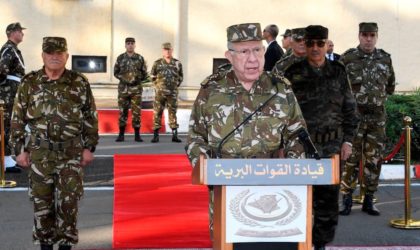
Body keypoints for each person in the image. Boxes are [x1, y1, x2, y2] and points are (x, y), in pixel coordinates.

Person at [186, 22, 307, 250]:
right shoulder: (212, 90)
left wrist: (294, 168)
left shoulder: (281, 89)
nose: (253, 59)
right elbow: (195, 137)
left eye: (257, 50)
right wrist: (204, 166)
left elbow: (297, 134)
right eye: (244, 51)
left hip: (275, 191)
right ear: (229, 56)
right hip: (227, 191)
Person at [9, 37, 98, 250]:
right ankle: (45, 245)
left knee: (69, 205)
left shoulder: (79, 81)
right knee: (42, 206)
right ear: (42, 56)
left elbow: (90, 116)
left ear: (67, 55)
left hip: (71, 152)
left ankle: (66, 245)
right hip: (40, 154)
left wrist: (89, 147)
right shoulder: (30, 83)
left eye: (59, 53)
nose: (55, 57)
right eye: (50, 53)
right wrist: (19, 150)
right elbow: (17, 118)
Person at [284, 25, 359, 250]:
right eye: (310, 43)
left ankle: (320, 244)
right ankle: (300, 240)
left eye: (320, 43)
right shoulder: (293, 73)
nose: (315, 48)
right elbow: (283, 113)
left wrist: (347, 141)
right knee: (299, 198)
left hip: (331, 147)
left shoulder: (338, 71)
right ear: (304, 45)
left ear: (327, 44)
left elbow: (350, 109)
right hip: (300, 147)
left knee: (327, 200)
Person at [339, 22, 395, 216]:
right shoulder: (348, 58)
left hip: (377, 118)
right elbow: (339, 88)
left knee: (374, 160)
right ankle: (346, 198)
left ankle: (369, 200)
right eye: (365, 35)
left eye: (372, 35)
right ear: (359, 36)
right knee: (351, 160)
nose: (368, 39)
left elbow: (390, 86)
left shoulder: (385, 59)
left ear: (377, 36)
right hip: (354, 118)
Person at [0, 22, 26, 173]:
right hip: (7, 93)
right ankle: (6, 161)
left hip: (12, 91)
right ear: (12, 33)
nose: (22, 33)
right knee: (6, 126)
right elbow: (2, 69)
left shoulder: (13, 49)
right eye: (19, 31)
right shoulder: (8, 49)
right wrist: (4, 88)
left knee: (10, 125)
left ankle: (8, 159)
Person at [113, 37, 148, 142]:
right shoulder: (120, 58)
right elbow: (116, 72)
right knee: (122, 112)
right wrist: (124, 79)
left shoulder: (140, 58)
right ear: (125, 45)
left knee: (136, 112)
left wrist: (136, 79)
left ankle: (137, 135)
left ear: (135, 45)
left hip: (136, 90)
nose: (130, 45)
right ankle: (121, 134)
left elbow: (144, 73)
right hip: (123, 89)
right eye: (128, 43)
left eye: (132, 43)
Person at [150, 42, 183, 143]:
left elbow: (181, 77)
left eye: (169, 49)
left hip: (172, 93)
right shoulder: (157, 63)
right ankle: (156, 135)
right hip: (160, 93)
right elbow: (152, 76)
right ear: (162, 51)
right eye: (165, 49)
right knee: (157, 113)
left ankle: (174, 135)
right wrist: (158, 86)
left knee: (172, 113)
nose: (167, 51)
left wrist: (174, 86)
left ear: (172, 50)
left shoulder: (177, 63)